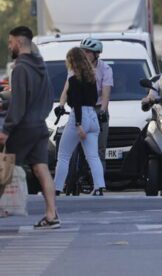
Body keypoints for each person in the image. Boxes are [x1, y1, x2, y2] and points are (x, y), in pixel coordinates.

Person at [0, 26, 60, 229]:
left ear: (18, 42)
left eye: (10, 42)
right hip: (39, 126)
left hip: (23, 127)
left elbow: (18, 103)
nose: (10, 46)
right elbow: (47, 98)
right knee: (41, 168)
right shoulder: (41, 67)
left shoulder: (19, 68)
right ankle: (52, 214)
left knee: (4, 168)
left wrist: (6, 129)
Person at [54, 47, 106, 196]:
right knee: (93, 156)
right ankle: (99, 186)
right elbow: (95, 99)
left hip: (80, 116)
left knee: (63, 155)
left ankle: (57, 188)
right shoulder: (91, 78)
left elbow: (76, 103)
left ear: (72, 61)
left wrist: (78, 125)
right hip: (92, 115)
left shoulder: (73, 79)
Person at [59, 38, 112, 168]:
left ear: (96, 54)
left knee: (99, 149)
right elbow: (66, 89)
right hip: (80, 108)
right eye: (83, 51)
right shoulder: (74, 68)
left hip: (98, 107)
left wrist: (103, 111)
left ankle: (100, 184)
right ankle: (74, 176)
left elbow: (105, 95)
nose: (85, 54)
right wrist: (61, 105)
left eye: (88, 52)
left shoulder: (105, 69)